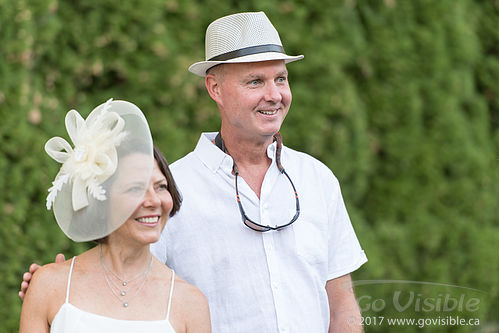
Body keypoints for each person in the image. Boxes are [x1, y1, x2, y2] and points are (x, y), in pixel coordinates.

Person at [21, 12, 367, 332]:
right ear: (214, 88)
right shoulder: (168, 190)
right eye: (255, 82)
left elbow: (341, 302)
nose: (274, 95)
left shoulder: (318, 179)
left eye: (281, 78)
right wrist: (59, 286)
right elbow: (123, 283)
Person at [19, 99, 210, 332]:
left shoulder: (190, 303)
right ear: (103, 200)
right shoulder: (49, 285)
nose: (153, 201)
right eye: (135, 188)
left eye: (161, 186)